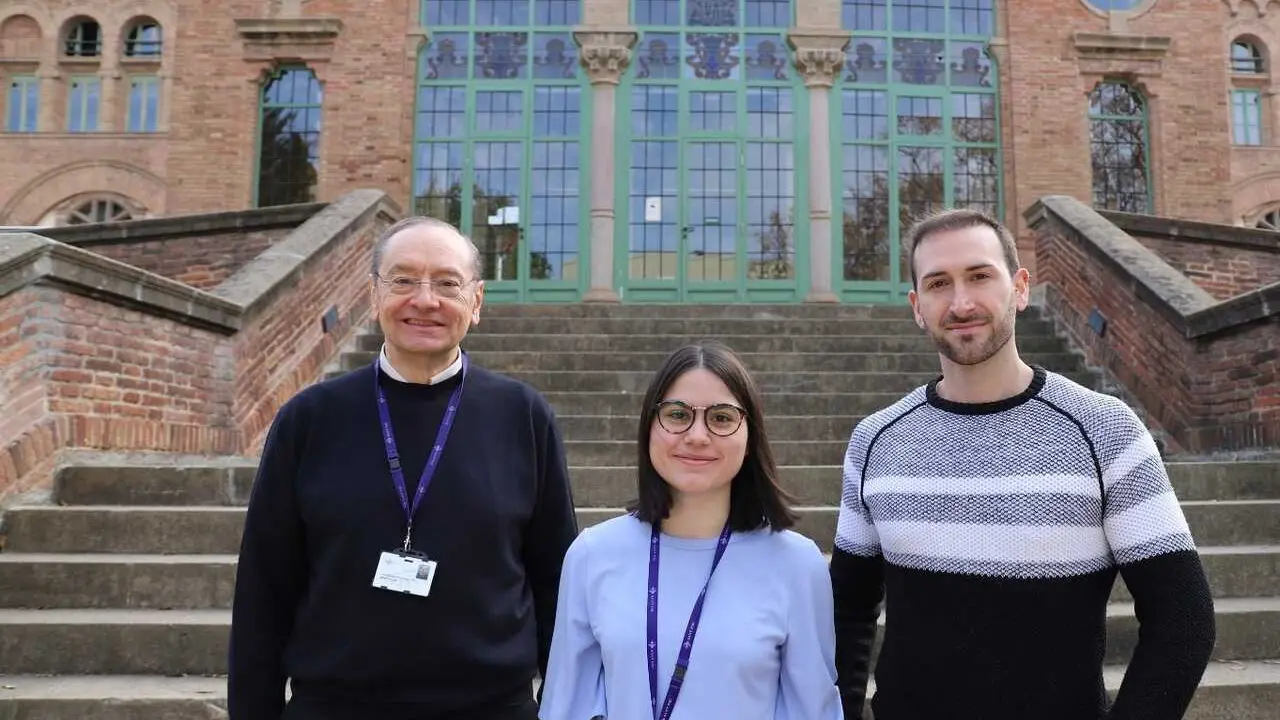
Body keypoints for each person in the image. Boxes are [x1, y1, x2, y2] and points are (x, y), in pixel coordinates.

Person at [830, 208, 1216, 720]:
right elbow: (848, 613)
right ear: (917, 306)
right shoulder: (876, 440)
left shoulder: (1104, 429)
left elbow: (1183, 619)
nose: (961, 302)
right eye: (938, 283)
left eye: (979, 276)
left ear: (1020, 287)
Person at [229, 216, 578, 720]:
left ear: (476, 302)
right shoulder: (309, 419)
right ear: (373, 296)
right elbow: (265, 588)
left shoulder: (522, 416)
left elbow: (555, 582)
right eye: (403, 280)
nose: (425, 299)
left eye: (447, 283)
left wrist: (560, 708)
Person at [539, 342, 842, 720]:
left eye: (721, 418)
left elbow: (812, 710)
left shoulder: (796, 563)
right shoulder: (592, 554)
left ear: (750, 438)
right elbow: (566, 705)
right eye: (678, 414)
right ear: (649, 428)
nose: (697, 435)